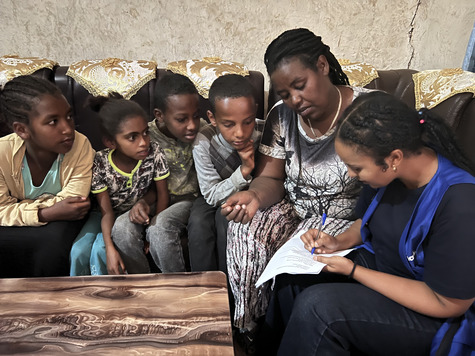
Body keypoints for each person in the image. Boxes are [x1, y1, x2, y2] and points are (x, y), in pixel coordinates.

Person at [263, 91, 475, 355]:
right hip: (386, 269)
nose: (351, 175)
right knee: (291, 281)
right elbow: (367, 222)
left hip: (434, 313)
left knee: (318, 307)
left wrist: (353, 271)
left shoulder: (460, 202)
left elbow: (449, 303)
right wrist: (337, 242)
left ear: (393, 159)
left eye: (357, 168)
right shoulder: (387, 175)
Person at [220, 28, 370, 342]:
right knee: (243, 230)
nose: (295, 100)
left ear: (322, 65)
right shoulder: (282, 116)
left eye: (300, 86)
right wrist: (254, 197)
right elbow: (271, 178)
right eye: (285, 93)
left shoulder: (368, 112)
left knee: (301, 274)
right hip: (295, 211)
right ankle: (249, 329)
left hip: (350, 221)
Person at [0, 75, 94, 277]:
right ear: (22, 130)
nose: (68, 129)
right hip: (43, 218)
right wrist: (45, 213)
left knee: (52, 243)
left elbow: (74, 203)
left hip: (62, 223)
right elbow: (0, 210)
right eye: (53, 122)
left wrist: (20, 208)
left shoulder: (80, 145)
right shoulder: (2, 153)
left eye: (69, 116)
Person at [70, 93, 169, 275]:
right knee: (79, 251)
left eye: (145, 133)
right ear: (111, 142)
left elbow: (162, 194)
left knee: (99, 250)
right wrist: (110, 247)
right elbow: (106, 212)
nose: (143, 142)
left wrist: (151, 234)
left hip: (136, 213)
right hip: (103, 215)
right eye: (132, 137)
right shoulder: (100, 162)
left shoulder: (155, 153)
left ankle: (117, 297)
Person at [188, 74, 263, 273]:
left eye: (247, 122)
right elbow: (211, 195)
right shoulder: (203, 141)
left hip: (250, 194)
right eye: (229, 125)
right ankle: (204, 289)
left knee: (227, 219)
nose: (240, 133)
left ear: (254, 111)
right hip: (212, 194)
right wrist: (244, 170)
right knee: (198, 223)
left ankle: (230, 289)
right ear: (212, 118)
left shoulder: (264, 133)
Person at [148, 73, 206, 272]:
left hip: (189, 200)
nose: (192, 125)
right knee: (122, 228)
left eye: (196, 116)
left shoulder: (205, 132)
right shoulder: (144, 136)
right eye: (182, 119)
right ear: (159, 115)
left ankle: (180, 290)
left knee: (160, 227)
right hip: (154, 198)